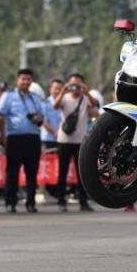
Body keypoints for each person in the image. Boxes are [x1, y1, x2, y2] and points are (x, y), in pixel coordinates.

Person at [0, 68, 51, 213]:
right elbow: (1, 116)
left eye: (28, 79)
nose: (25, 82)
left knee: (32, 172)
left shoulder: (35, 97)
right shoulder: (8, 96)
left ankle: (30, 202)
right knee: (12, 171)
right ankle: (10, 202)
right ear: (18, 80)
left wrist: (38, 119)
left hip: (32, 137)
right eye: (23, 79)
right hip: (15, 137)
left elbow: (41, 116)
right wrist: (2, 136)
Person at [53, 74, 98, 212]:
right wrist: (63, 90)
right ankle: (61, 201)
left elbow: (95, 105)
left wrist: (87, 92)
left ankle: (83, 202)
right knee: (63, 171)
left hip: (80, 141)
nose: (75, 88)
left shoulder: (85, 99)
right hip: (64, 140)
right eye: (73, 84)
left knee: (81, 173)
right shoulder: (65, 97)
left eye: (78, 85)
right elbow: (54, 105)